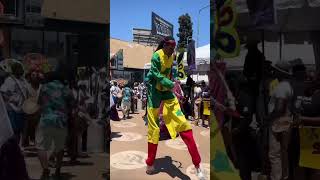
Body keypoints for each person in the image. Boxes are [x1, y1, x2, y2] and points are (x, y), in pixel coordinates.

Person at [144, 36, 204, 179]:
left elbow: (172, 72)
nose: (172, 51)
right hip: (154, 93)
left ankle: (197, 165)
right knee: (154, 129)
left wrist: (174, 81)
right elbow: (156, 74)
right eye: (170, 48)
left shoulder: (172, 56)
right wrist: (170, 84)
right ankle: (150, 163)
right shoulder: (156, 57)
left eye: (173, 49)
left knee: (183, 124)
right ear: (164, 46)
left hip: (167, 92)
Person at [36, 71, 74, 179]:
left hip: (46, 119)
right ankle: (57, 170)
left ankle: (45, 169)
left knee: (40, 145)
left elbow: (39, 103)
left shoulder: (44, 88)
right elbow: (72, 105)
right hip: (61, 121)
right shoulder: (66, 89)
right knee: (60, 146)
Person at [267, 61, 294, 180]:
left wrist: (268, 118)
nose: (273, 71)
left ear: (280, 72)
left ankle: (277, 177)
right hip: (286, 121)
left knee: (275, 154)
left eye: (275, 69)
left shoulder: (282, 87)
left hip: (278, 122)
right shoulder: (287, 86)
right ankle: (284, 176)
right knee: (283, 152)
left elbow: (279, 107)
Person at [0, 62, 29, 145]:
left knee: (20, 130)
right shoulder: (9, 80)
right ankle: (15, 147)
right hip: (13, 109)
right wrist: (12, 100)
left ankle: (19, 146)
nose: (21, 70)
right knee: (15, 130)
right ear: (15, 70)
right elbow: (3, 92)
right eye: (19, 69)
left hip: (23, 108)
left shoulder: (23, 80)